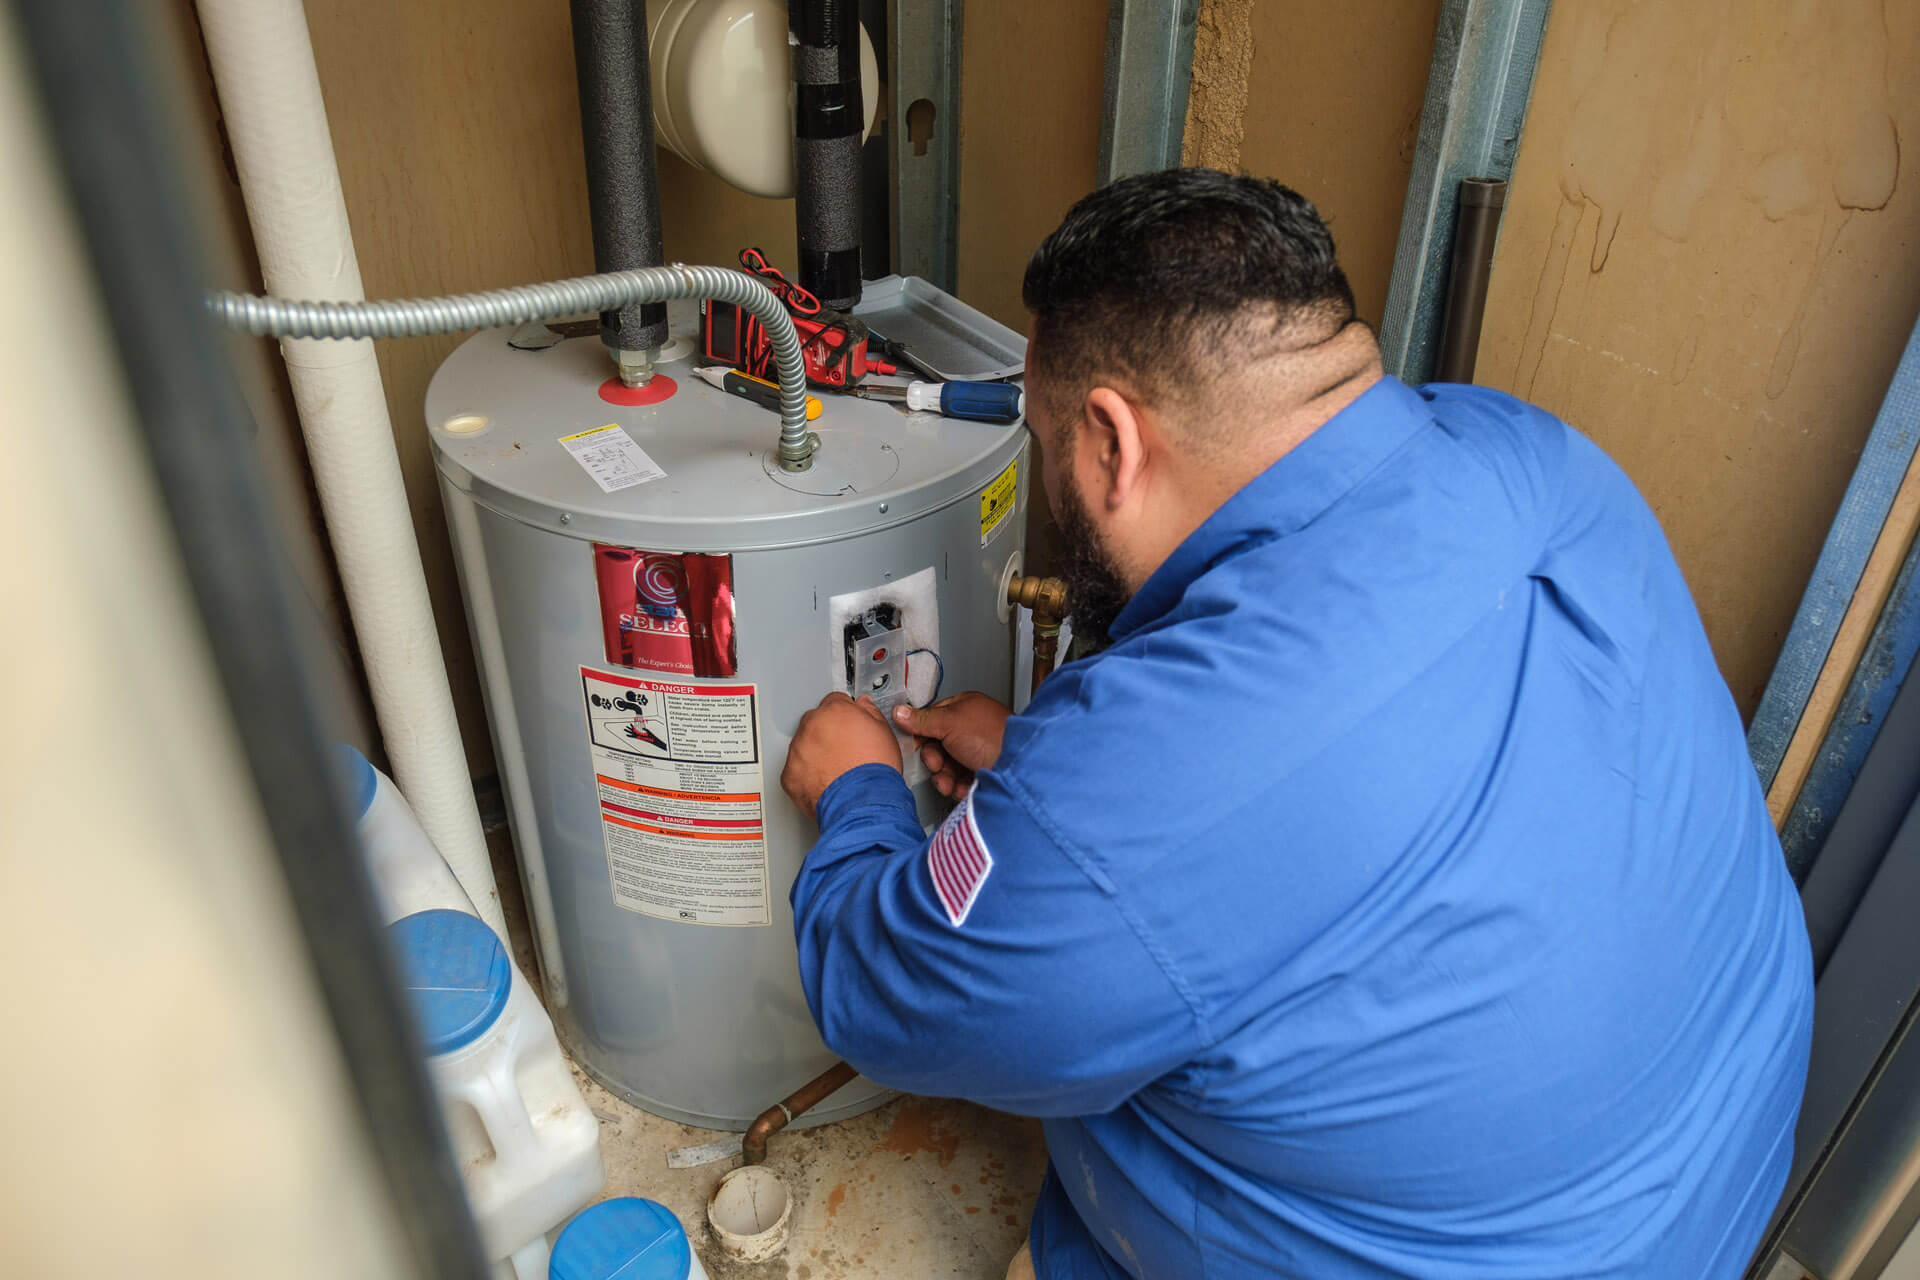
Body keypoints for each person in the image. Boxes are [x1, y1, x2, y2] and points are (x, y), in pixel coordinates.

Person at [779, 168, 1812, 1279]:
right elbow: (1297, 780)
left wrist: (859, 793)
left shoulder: (1135, 802)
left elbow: (884, 986)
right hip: (1721, 1181)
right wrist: (1039, 766)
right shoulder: (1536, 456)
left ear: (1114, 442)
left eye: (1046, 436)